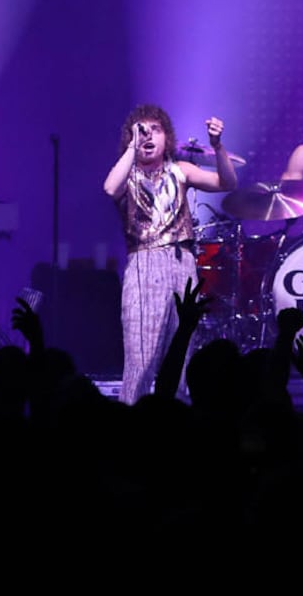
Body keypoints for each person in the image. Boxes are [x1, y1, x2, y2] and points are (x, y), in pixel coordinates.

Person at [103, 104, 237, 404]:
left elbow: (227, 182)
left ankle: (173, 421)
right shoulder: (128, 175)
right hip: (144, 262)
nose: (148, 135)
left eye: (155, 130)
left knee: (180, 351)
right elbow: (110, 189)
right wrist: (132, 146)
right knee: (141, 356)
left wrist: (217, 146)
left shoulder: (181, 170)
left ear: (168, 138)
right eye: (141, 130)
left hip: (182, 262)